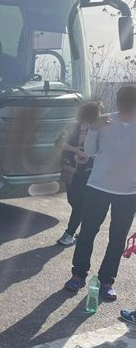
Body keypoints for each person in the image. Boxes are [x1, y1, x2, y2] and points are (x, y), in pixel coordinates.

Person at [64, 84, 136, 301]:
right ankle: (78, 275)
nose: (125, 110)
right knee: (87, 233)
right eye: (123, 104)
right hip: (97, 187)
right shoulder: (104, 121)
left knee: (117, 238)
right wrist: (94, 129)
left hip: (129, 193)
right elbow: (89, 152)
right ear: (118, 102)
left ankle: (107, 281)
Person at [56, 101, 101, 246]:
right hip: (71, 170)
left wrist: (90, 154)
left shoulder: (99, 130)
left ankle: (69, 233)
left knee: (79, 204)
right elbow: (58, 143)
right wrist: (76, 150)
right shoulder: (72, 127)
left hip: (89, 172)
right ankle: (83, 227)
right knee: (73, 200)